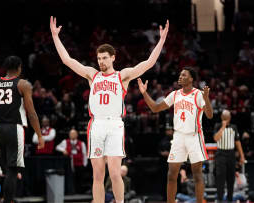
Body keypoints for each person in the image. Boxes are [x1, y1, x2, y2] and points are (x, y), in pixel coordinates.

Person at [50, 16, 169, 203]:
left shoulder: (122, 76)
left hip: (114, 124)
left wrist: (161, 40)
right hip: (96, 124)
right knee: (97, 175)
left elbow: (148, 63)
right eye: (98, 58)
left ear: (113, 57)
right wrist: (55, 36)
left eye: (104, 58)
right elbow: (67, 60)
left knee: (115, 173)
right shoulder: (92, 74)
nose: (101, 61)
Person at [137, 67, 213, 203]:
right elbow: (155, 108)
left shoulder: (199, 94)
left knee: (197, 175)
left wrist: (206, 99)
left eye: (184, 75)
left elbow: (209, 115)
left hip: (194, 136)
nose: (180, 77)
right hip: (178, 136)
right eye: (180, 74)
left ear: (191, 79)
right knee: (171, 174)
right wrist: (144, 93)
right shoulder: (175, 94)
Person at [0, 56, 45, 203]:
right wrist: (39, 134)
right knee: (13, 171)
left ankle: (5, 200)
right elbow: (31, 112)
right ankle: (8, 201)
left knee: (7, 171)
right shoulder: (23, 84)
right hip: (15, 129)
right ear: (19, 67)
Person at [213, 109, 245, 202]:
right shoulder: (217, 126)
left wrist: (242, 156)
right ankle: (220, 199)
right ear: (222, 117)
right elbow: (216, 138)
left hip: (231, 154)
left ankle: (230, 199)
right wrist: (223, 127)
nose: (227, 119)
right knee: (220, 178)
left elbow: (238, 142)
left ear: (230, 118)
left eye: (228, 117)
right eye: (225, 117)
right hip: (220, 154)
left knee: (231, 178)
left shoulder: (234, 127)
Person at [56, 128, 87, 193]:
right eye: (71, 134)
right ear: (69, 135)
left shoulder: (81, 143)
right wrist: (63, 150)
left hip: (79, 164)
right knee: (70, 178)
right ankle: (70, 191)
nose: (72, 135)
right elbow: (57, 147)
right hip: (69, 165)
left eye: (74, 134)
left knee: (79, 178)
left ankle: (79, 192)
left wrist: (84, 164)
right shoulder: (65, 142)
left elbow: (85, 154)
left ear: (77, 135)